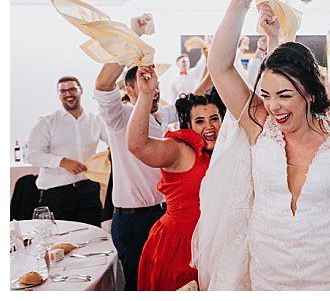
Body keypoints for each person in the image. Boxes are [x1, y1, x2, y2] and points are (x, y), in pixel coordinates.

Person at [205, 0, 330, 290]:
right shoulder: (259, 125)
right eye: (265, 94)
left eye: (283, 95)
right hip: (271, 266)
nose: (273, 105)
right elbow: (219, 67)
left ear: (308, 91)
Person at [126, 69, 224, 291]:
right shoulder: (180, 150)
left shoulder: (225, 150)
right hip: (178, 249)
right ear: (188, 126)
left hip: (215, 247)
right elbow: (137, 145)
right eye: (199, 121)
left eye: (214, 118)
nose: (209, 126)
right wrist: (146, 95)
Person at [94, 59, 178, 290]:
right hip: (133, 220)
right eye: (147, 83)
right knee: (137, 283)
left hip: (163, 215)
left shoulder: (160, 117)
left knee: (162, 281)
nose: (155, 89)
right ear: (130, 90)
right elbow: (102, 85)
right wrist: (129, 45)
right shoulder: (120, 117)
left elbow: (191, 98)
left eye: (157, 84)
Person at [24, 76, 107, 226]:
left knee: (92, 239)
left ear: (81, 91)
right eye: (63, 91)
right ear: (59, 95)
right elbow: (31, 155)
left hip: (89, 190)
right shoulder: (46, 121)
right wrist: (62, 161)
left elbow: (114, 143)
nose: (68, 94)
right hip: (57, 193)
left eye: (72, 89)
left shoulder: (96, 120)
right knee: (58, 242)